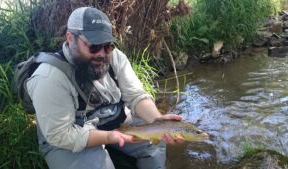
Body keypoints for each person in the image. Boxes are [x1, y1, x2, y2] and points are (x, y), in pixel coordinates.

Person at [26, 6, 183, 169]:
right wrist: (109, 137)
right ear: (70, 38)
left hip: (111, 120)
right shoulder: (49, 77)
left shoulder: (115, 57)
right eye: (93, 46)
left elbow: (136, 96)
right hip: (67, 136)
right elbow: (60, 135)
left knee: (155, 144)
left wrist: (159, 123)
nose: (102, 53)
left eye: (107, 45)